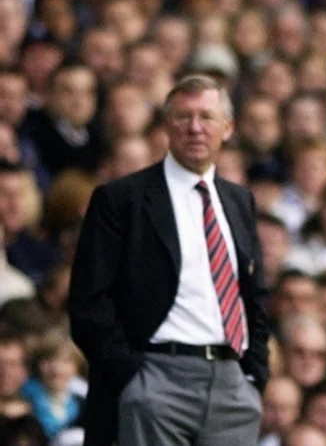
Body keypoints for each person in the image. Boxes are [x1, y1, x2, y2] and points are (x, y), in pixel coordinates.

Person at [68, 75, 270, 446]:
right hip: (153, 377)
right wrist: (131, 379)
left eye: (206, 117)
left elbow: (254, 295)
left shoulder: (240, 200)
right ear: (165, 126)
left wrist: (254, 375)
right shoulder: (120, 199)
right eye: (183, 117)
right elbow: (88, 301)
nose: (195, 128)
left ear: (227, 128)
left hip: (232, 386)